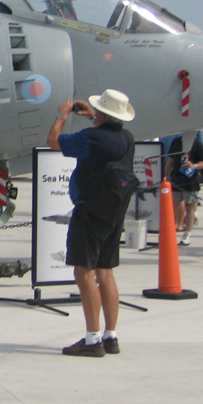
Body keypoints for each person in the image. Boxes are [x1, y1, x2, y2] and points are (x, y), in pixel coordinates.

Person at [47, 88, 137, 357]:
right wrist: (93, 117)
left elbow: (54, 141)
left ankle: (92, 339)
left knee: (83, 273)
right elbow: (103, 137)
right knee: (105, 272)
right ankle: (111, 335)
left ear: (102, 113)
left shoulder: (92, 137)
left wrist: (63, 115)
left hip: (90, 211)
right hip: (114, 211)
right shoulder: (126, 137)